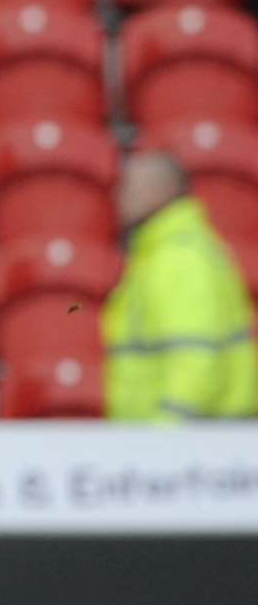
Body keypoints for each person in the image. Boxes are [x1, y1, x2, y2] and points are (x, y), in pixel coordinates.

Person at [102, 151, 256, 420]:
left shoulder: (178, 256)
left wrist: (168, 432)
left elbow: (197, 356)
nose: (118, 197)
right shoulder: (163, 252)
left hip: (191, 445)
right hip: (179, 443)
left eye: (128, 187)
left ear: (159, 192)